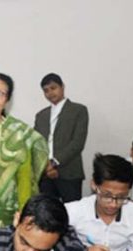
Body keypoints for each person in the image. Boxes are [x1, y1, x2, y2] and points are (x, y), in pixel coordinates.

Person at [0, 72, 48, 243]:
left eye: (1, 93)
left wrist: (25, 213)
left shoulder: (18, 133)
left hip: (2, 213)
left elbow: (24, 177)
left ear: (8, 99)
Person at [65, 154, 133, 251]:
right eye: (107, 195)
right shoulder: (72, 212)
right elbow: (54, 248)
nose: (113, 204)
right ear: (94, 185)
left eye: (121, 197)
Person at [34, 73, 89, 202]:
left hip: (69, 172)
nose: (50, 93)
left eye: (53, 88)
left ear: (62, 87)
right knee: (46, 214)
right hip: (45, 174)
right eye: (46, 90)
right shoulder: (41, 115)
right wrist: (45, 166)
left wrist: (54, 163)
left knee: (72, 214)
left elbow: (78, 143)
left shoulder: (78, 110)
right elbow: (36, 143)